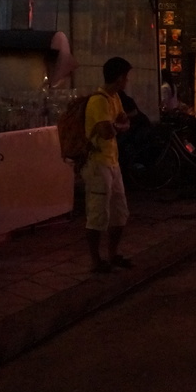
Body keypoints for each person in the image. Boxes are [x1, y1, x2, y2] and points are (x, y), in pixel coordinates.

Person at [84, 57, 134, 274]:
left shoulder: (115, 98)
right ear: (119, 77)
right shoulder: (99, 101)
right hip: (98, 164)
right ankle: (96, 260)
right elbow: (106, 132)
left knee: (119, 212)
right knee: (98, 214)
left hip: (112, 161)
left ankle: (113, 254)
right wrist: (118, 126)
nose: (127, 81)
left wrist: (117, 126)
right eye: (126, 77)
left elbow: (123, 122)